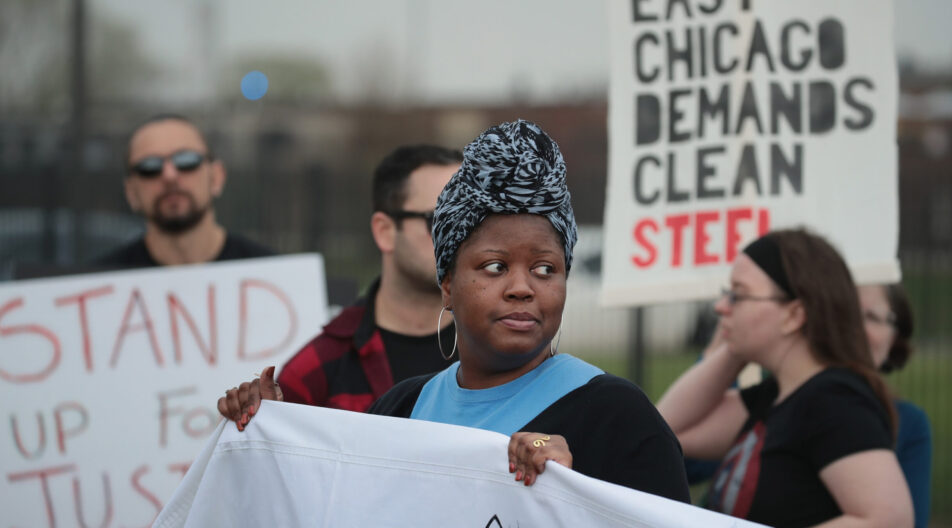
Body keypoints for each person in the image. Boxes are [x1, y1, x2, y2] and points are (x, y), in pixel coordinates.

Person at [219, 120, 690, 501]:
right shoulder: (401, 410)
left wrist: (577, 487)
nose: (522, 288)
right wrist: (273, 436)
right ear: (447, 285)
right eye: (494, 266)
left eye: (546, 269)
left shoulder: (618, 418)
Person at [657, 229, 912, 527]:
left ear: (794, 315)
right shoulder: (777, 396)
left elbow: (889, 519)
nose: (721, 306)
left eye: (738, 294)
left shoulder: (834, 401)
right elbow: (666, 429)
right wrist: (734, 349)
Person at [276, 145, 463, 411]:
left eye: (468, 219)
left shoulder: (505, 349)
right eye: (440, 219)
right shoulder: (316, 373)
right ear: (384, 231)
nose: (458, 235)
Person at [97, 113, 274, 267]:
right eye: (149, 167)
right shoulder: (99, 285)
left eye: (187, 161)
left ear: (216, 177)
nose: (169, 175)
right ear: (131, 192)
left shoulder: (274, 273)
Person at [858, 282, 932, 528]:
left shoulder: (909, 424)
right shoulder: (784, 403)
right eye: (846, 312)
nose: (856, 328)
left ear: (895, 336)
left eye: (871, 316)